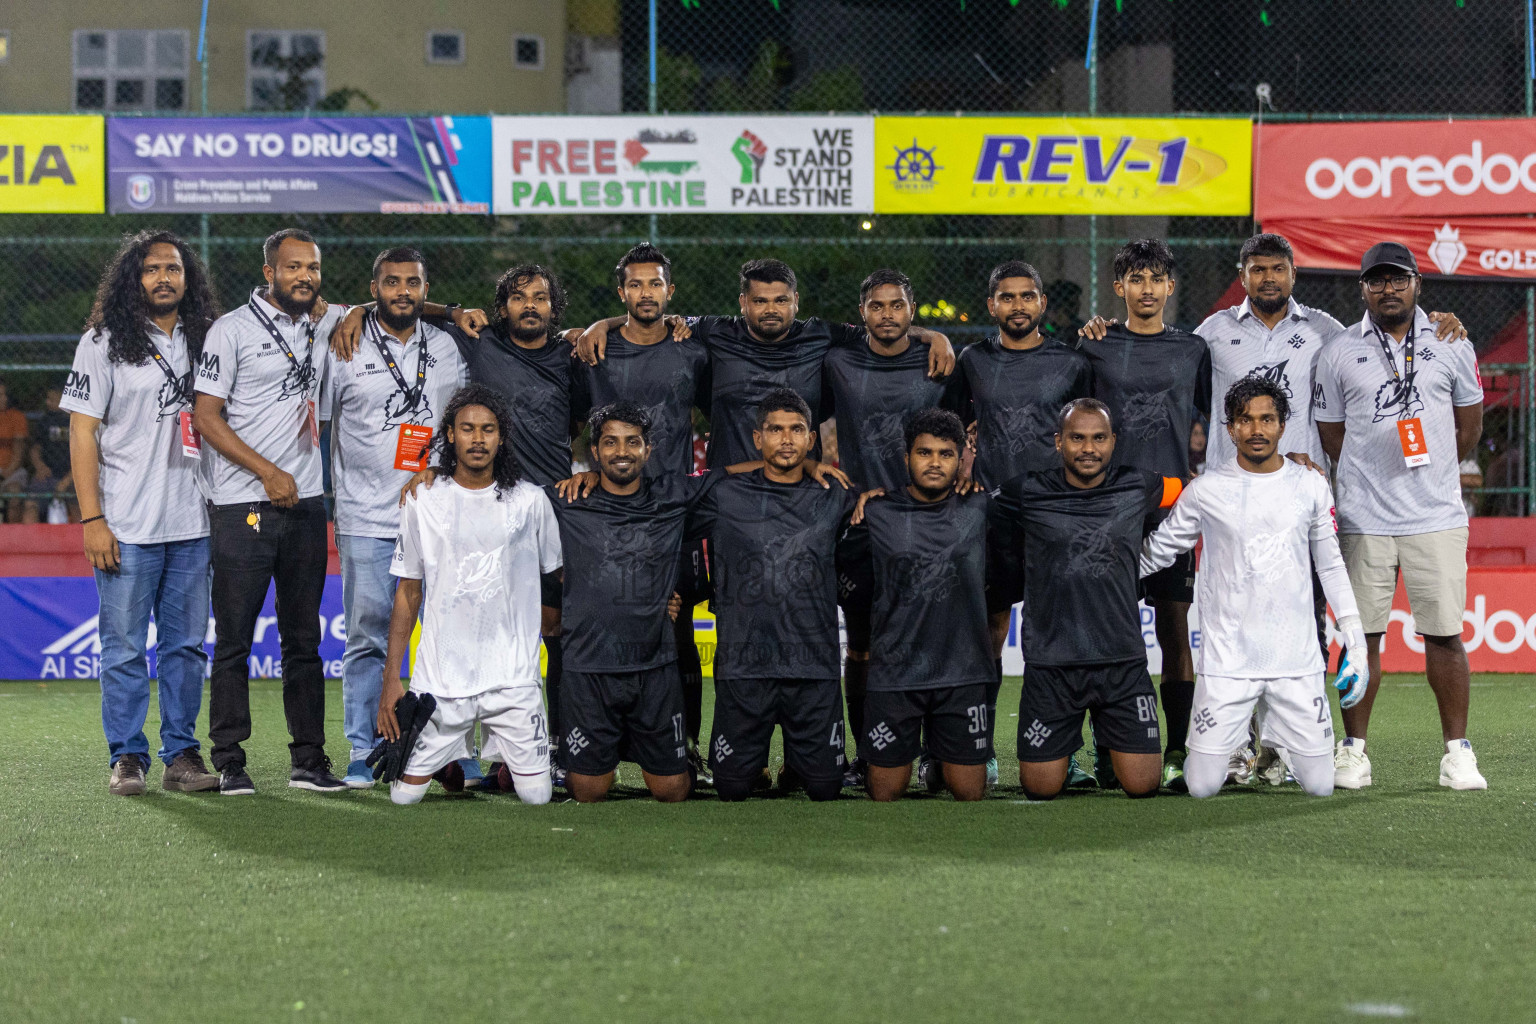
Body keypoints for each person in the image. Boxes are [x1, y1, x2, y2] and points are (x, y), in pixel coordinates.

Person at [331, 263, 579, 790]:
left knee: (553, 631)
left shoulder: (573, 355)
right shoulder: (477, 342)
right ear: (500, 308)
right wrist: (362, 310)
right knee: (434, 626)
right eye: (517, 297)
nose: (529, 306)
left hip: (544, 511)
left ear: (555, 307)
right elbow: (413, 307)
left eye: (539, 297)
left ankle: (541, 747)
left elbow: (587, 419)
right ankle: (389, 744)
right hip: (473, 509)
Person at [1314, 242, 1487, 791]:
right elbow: (1332, 436)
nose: (1388, 288)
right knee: (1360, 637)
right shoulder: (1339, 349)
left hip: (1436, 514)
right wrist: (1374, 471)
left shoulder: (1452, 341)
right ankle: (1353, 751)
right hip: (1365, 516)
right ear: (1362, 288)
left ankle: (1457, 752)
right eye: (1376, 280)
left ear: (1418, 283)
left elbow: (1470, 427)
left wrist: (1430, 472)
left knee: (1444, 635)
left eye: (1398, 279)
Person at [1141, 378, 1367, 798]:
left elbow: (1331, 563)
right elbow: (1159, 551)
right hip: (1229, 664)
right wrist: (1101, 570)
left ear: (1283, 427)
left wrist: (1356, 640)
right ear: (1229, 429)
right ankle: (1244, 746)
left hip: (1295, 662)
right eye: (1245, 420)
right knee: (1201, 786)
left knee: (1321, 787)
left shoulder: (1310, 484)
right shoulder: (1206, 490)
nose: (1256, 430)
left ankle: (1278, 746)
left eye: (1267, 419)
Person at [61, 229, 223, 797]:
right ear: (134, 278)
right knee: (125, 648)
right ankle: (127, 756)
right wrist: (92, 519)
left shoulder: (211, 338)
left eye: (173, 269)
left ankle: (181, 753)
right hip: (125, 525)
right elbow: (82, 431)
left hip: (194, 525)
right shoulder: (102, 342)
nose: (163, 278)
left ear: (187, 278)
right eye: (152, 269)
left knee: (184, 648)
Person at [192, 228, 345, 796]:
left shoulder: (323, 323)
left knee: (304, 641)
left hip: (306, 503)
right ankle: (229, 759)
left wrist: (448, 309)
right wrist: (268, 472)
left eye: (312, 267)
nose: (304, 276)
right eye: (293, 267)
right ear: (269, 273)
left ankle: (309, 759)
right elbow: (207, 417)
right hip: (244, 503)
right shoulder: (230, 330)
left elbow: (390, 303)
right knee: (233, 639)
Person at [318, 247, 469, 789]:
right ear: (373, 287)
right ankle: (364, 743)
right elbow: (319, 425)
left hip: (438, 514)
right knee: (367, 633)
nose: (402, 291)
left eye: (412, 282)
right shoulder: (344, 343)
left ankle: (451, 744)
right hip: (365, 513)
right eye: (391, 282)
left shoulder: (448, 348)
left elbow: (462, 426)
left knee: (448, 632)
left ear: (425, 289)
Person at [378, 385, 560, 806]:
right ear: (449, 435)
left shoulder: (532, 502)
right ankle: (445, 759)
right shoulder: (421, 499)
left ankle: (495, 764)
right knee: (403, 798)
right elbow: (408, 591)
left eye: (488, 430)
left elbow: (559, 578)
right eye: (468, 429)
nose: (478, 439)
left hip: (513, 680)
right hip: (441, 682)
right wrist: (392, 679)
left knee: (537, 798)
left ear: (502, 437)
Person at [991, 399, 1178, 801]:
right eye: (1077, 438)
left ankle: (1106, 737)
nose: (1088, 448)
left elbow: (1197, 491)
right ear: (1058, 442)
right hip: (1052, 664)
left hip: (1121, 662)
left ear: (1114, 441)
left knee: (1143, 785)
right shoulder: (1026, 491)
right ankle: (1075, 743)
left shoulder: (1140, 485)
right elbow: (970, 506)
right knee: (1040, 789)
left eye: (1098, 438)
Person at [822, 269, 965, 785]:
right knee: (861, 643)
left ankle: (932, 752)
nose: (887, 315)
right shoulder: (836, 360)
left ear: (912, 309)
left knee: (926, 638)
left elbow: (966, 430)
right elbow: (799, 412)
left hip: (930, 522)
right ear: (861, 313)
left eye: (897, 305)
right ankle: (868, 753)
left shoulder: (941, 364)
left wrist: (937, 336)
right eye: (877, 306)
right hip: (861, 522)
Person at [1077, 239, 1211, 791]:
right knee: (1112, 630)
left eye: (1156, 278)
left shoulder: (1194, 350)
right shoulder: (1096, 348)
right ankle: (1109, 749)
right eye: (1136, 278)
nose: (1147, 288)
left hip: (1174, 509)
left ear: (1170, 286)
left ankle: (1178, 748)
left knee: (1177, 627)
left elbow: (1214, 419)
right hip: (1110, 510)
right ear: (1119, 287)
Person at [548, 401, 720, 803]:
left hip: (654, 667)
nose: (621, 451)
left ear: (648, 449)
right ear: (595, 451)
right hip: (589, 667)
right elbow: (500, 496)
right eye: (610, 442)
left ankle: (672, 756)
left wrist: (808, 468)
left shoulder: (672, 496)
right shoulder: (566, 500)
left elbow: (735, 478)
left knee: (673, 791)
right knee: (587, 792)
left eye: (632, 442)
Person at [690, 388, 855, 801]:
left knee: (825, 789)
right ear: (757, 438)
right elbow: (655, 515)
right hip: (744, 667)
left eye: (797, 430)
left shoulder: (835, 495)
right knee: (730, 789)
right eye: (775, 430)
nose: (786, 439)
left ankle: (800, 763)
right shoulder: (722, 494)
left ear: (811, 440)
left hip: (812, 667)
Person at [838, 408, 994, 802]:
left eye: (945, 453)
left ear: (961, 459)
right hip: (896, 674)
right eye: (925, 453)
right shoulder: (875, 512)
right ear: (906, 456)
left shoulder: (982, 508)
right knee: (885, 793)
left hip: (962, 672)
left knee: (969, 793)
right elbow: (847, 579)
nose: (935, 462)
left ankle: (941, 757)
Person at [0, 377, 29, 521]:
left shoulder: (16, 417)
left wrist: (6, 473)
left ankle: (12, 538)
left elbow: (18, 452)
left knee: (14, 494)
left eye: (5, 394)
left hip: (11, 472)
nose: (4, 398)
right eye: (0, 395)